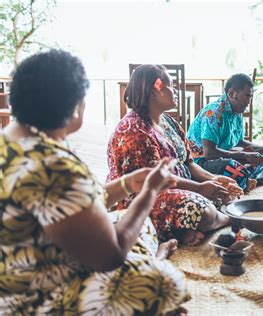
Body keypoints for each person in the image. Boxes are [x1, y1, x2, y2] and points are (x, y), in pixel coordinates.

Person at [0, 50, 189, 314]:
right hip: (33, 296)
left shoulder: (12, 140)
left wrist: (126, 184)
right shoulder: (54, 165)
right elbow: (109, 256)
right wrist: (149, 192)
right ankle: (154, 265)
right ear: (75, 104)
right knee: (166, 282)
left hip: (22, 267)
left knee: (139, 222)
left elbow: (79, 202)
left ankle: (150, 258)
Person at [107, 64, 243, 246]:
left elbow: (189, 163)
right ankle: (225, 218)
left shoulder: (167, 121)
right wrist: (201, 189)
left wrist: (214, 179)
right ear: (155, 90)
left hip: (178, 188)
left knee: (223, 193)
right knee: (202, 210)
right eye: (171, 85)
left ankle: (181, 229)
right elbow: (153, 183)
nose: (177, 90)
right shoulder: (133, 131)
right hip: (144, 197)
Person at [187, 73, 263, 192]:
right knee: (231, 165)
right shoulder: (213, 112)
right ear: (231, 93)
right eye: (247, 96)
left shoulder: (237, 112)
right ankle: (245, 178)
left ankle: (244, 179)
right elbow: (209, 153)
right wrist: (244, 156)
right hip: (201, 163)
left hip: (221, 156)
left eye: (251, 97)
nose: (249, 101)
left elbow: (240, 142)